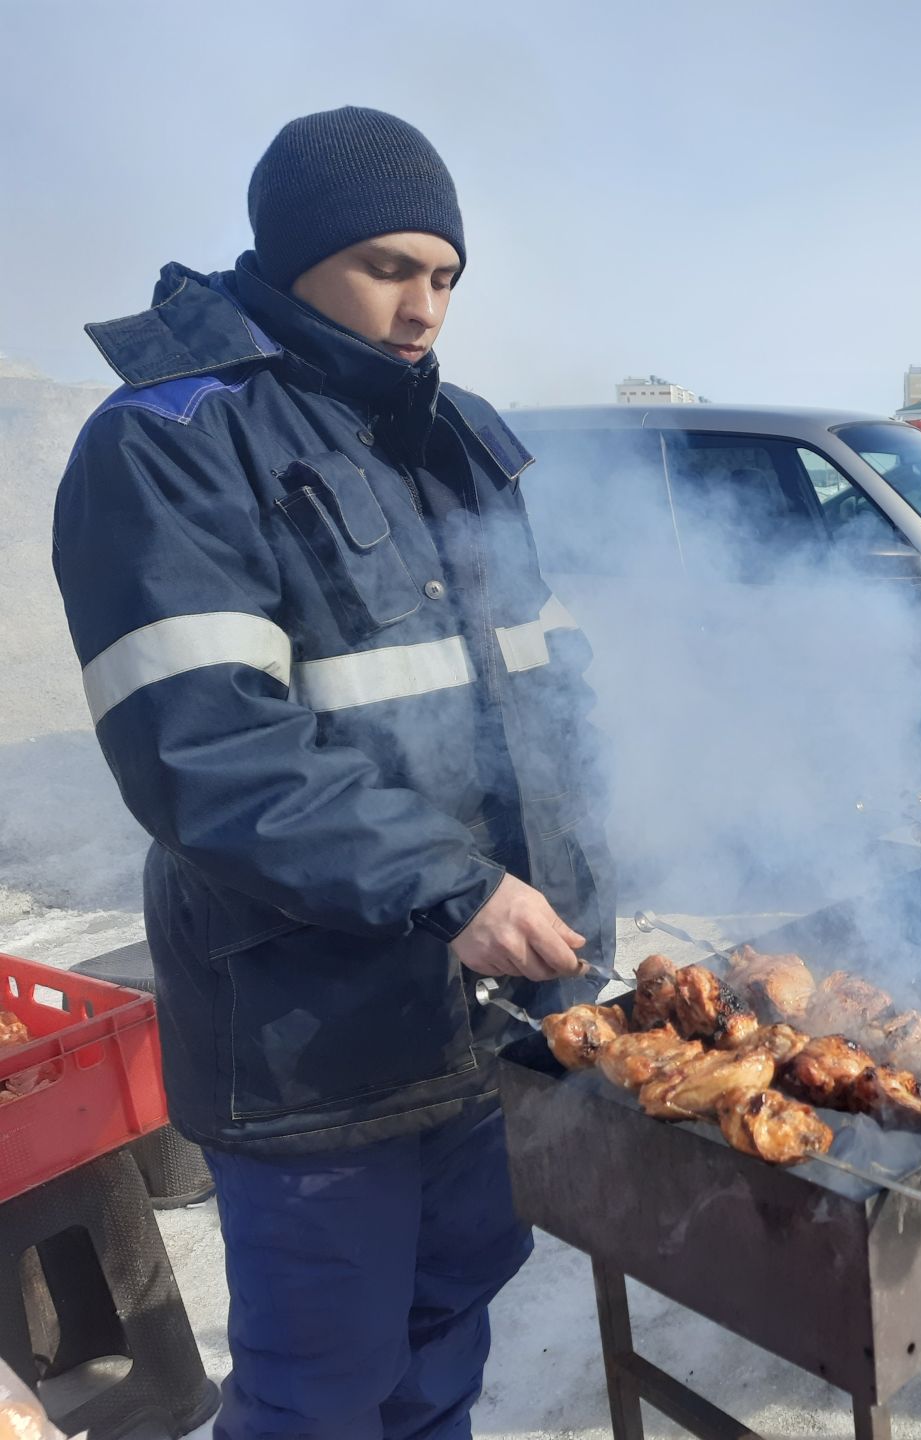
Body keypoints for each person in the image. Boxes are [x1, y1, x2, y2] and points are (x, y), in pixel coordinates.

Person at [52, 107, 614, 1438]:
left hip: (470, 1002)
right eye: (387, 267)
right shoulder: (174, 437)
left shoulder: (458, 436)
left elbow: (548, 699)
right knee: (322, 1384)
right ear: (292, 255)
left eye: (445, 276)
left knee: (447, 1327)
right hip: (305, 1025)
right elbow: (202, 744)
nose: (422, 307)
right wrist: (450, 883)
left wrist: (592, 883)